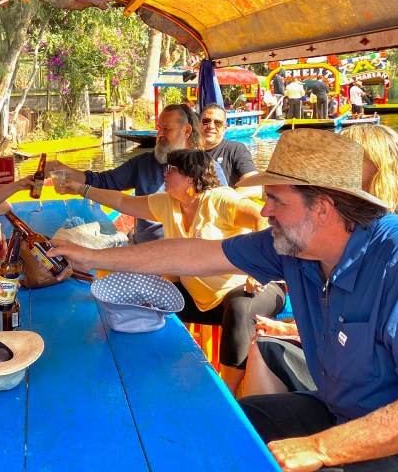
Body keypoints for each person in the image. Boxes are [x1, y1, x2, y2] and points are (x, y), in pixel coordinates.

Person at [49, 128, 398, 472]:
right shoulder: (293, 245)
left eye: (276, 201)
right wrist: (92, 257)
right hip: (339, 412)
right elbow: (192, 253)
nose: (264, 211)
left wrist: (319, 448)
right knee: (230, 426)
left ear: (322, 207)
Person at [57, 149, 284, 394]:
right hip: (202, 299)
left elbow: (261, 221)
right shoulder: (168, 203)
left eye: (172, 169)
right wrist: (81, 189)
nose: (164, 173)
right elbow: (123, 202)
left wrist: (256, 269)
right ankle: (145, 367)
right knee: (145, 300)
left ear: (192, 177)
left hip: (255, 288)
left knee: (239, 307)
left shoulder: (219, 199)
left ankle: (225, 394)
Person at [242, 123, 398, 397]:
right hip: (339, 366)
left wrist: (288, 330)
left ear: (375, 169)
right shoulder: (332, 227)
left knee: (263, 345)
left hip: (372, 393)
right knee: (264, 349)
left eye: (347, 159)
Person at [45, 104, 210, 244]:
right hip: (144, 250)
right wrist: (68, 172)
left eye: (166, 129)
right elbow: (109, 188)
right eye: (159, 128)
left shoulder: (206, 168)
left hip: (184, 253)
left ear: (187, 131)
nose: (159, 134)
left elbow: (219, 210)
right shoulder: (145, 164)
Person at [196, 103, 259, 192]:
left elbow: (254, 187)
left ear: (224, 129)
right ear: (198, 124)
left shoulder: (236, 149)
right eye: (206, 121)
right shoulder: (189, 152)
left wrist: (220, 200)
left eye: (218, 123)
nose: (211, 126)